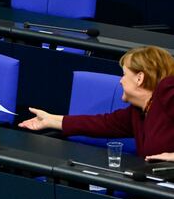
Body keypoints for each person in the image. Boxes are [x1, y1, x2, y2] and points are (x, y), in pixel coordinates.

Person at [19, 46, 174, 158]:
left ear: (139, 78)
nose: (120, 81)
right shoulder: (139, 111)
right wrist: (50, 119)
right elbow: (102, 123)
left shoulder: (167, 92)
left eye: (124, 74)